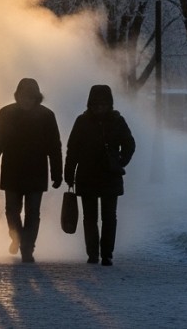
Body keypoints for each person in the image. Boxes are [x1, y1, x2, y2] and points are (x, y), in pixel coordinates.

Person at [0, 78, 62, 263]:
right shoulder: (6, 114)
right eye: (23, 97)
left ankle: (27, 248)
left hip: (36, 172)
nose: (26, 101)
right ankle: (17, 238)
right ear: (18, 96)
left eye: (30, 97)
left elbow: (54, 147)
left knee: (33, 212)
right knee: (12, 210)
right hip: (13, 170)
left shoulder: (46, 116)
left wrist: (57, 173)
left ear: (36, 98)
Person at [64, 84, 136, 266]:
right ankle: (98, 254)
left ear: (109, 104)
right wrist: (120, 161)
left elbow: (73, 149)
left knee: (103, 218)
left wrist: (70, 171)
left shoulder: (83, 121)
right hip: (103, 175)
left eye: (103, 104)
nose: (99, 108)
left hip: (97, 175)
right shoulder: (116, 121)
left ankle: (103, 254)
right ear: (91, 103)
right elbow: (72, 150)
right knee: (97, 218)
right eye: (97, 104)